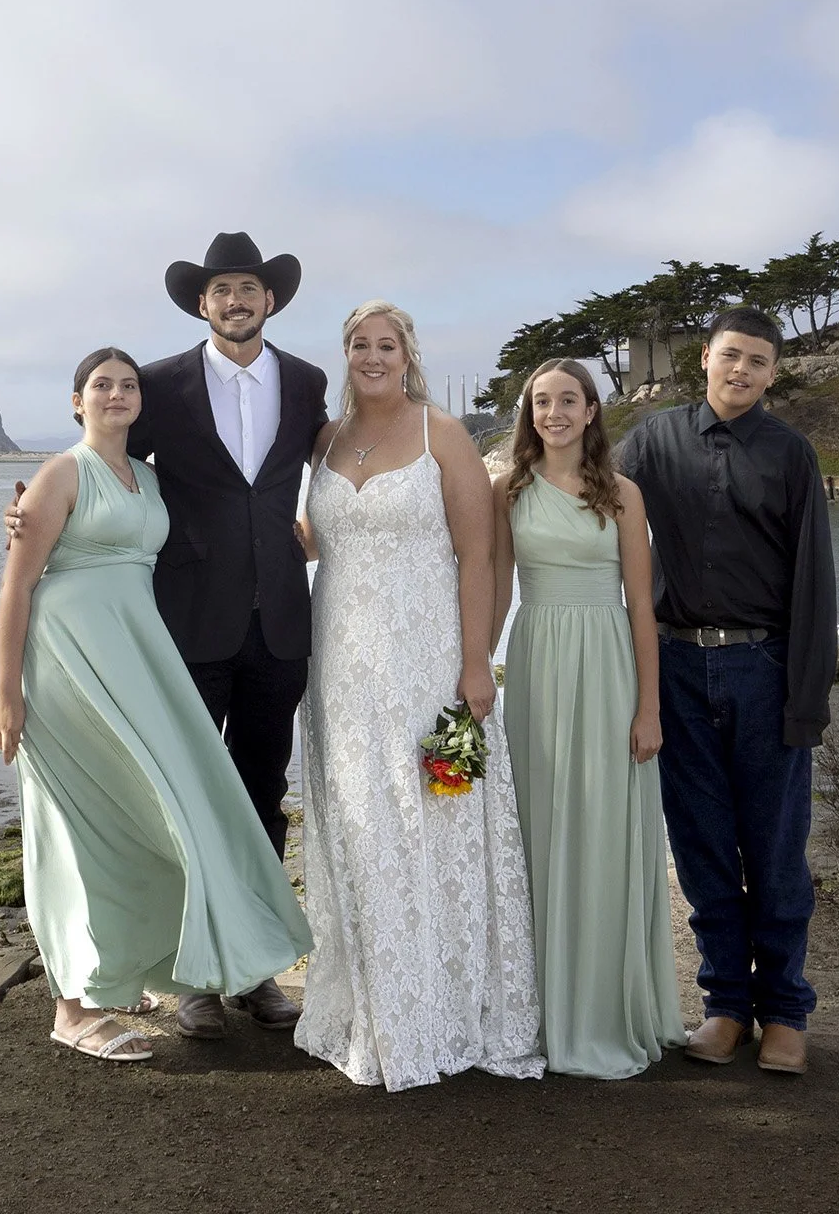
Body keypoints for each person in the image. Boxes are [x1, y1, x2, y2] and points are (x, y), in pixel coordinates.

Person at [6, 231, 327, 1042]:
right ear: (200, 303)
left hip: (281, 620)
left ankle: (252, 968)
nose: (234, 301)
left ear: (271, 299)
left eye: (247, 288)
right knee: (180, 793)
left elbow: (334, 462)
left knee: (257, 794)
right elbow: (102, 465)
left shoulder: (309, 380)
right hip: (180, 628)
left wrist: (330, 524)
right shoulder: (158, 386)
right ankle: (194, 982)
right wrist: (28, 510)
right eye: (220, 290)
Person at [294, 301, 544, 1091]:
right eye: (360, 345)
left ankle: (445, 1010)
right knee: (360, 829)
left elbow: (478, 558)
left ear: (408, 355)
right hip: (337, 666)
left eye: (386, 345)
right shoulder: (323, 439)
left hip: (428, 665)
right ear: (345, 356)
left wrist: (476, 666)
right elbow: (310, 536)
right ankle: (374, 1008)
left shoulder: (444, 435)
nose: (373, 357)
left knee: (436, 820)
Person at [614, 306, 837, 1076]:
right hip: (674, 669)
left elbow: (816, 580)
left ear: (771, 374)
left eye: (757, 362)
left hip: (763, 667)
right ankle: (723, 1008)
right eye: (729, 355)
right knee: (702, 843)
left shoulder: (789, 454)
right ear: (702, 358)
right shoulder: (651, 442)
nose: (740, 371)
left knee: (774, 849)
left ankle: (783, 1013)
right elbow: (583, 501)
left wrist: (807, 698)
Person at [492, 359, 686, 1078]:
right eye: (540, 402)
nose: (553, 413)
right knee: (541, 830)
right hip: (538, 662)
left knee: (603, 828)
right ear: (528, 413)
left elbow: (642, 605)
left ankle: (605, 1006)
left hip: (607, 665)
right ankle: (541, 1005)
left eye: (566, 400)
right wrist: (474, 671)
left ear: (590, 410)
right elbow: (490, 581)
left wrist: (648, 708)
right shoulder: (506, 489)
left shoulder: (622, 494)